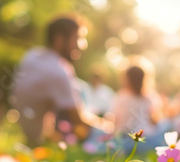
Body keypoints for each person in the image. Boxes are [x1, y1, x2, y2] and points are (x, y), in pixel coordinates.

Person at [13, 17, 110, 147]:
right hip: (41, 142)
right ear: (59, 39)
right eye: (77, 39)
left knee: (76, 87)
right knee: (79, 90)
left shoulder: (31, 55)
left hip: (25, 133)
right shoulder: (58, 70)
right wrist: (106, 126)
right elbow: (79, 120)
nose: (81, 45)